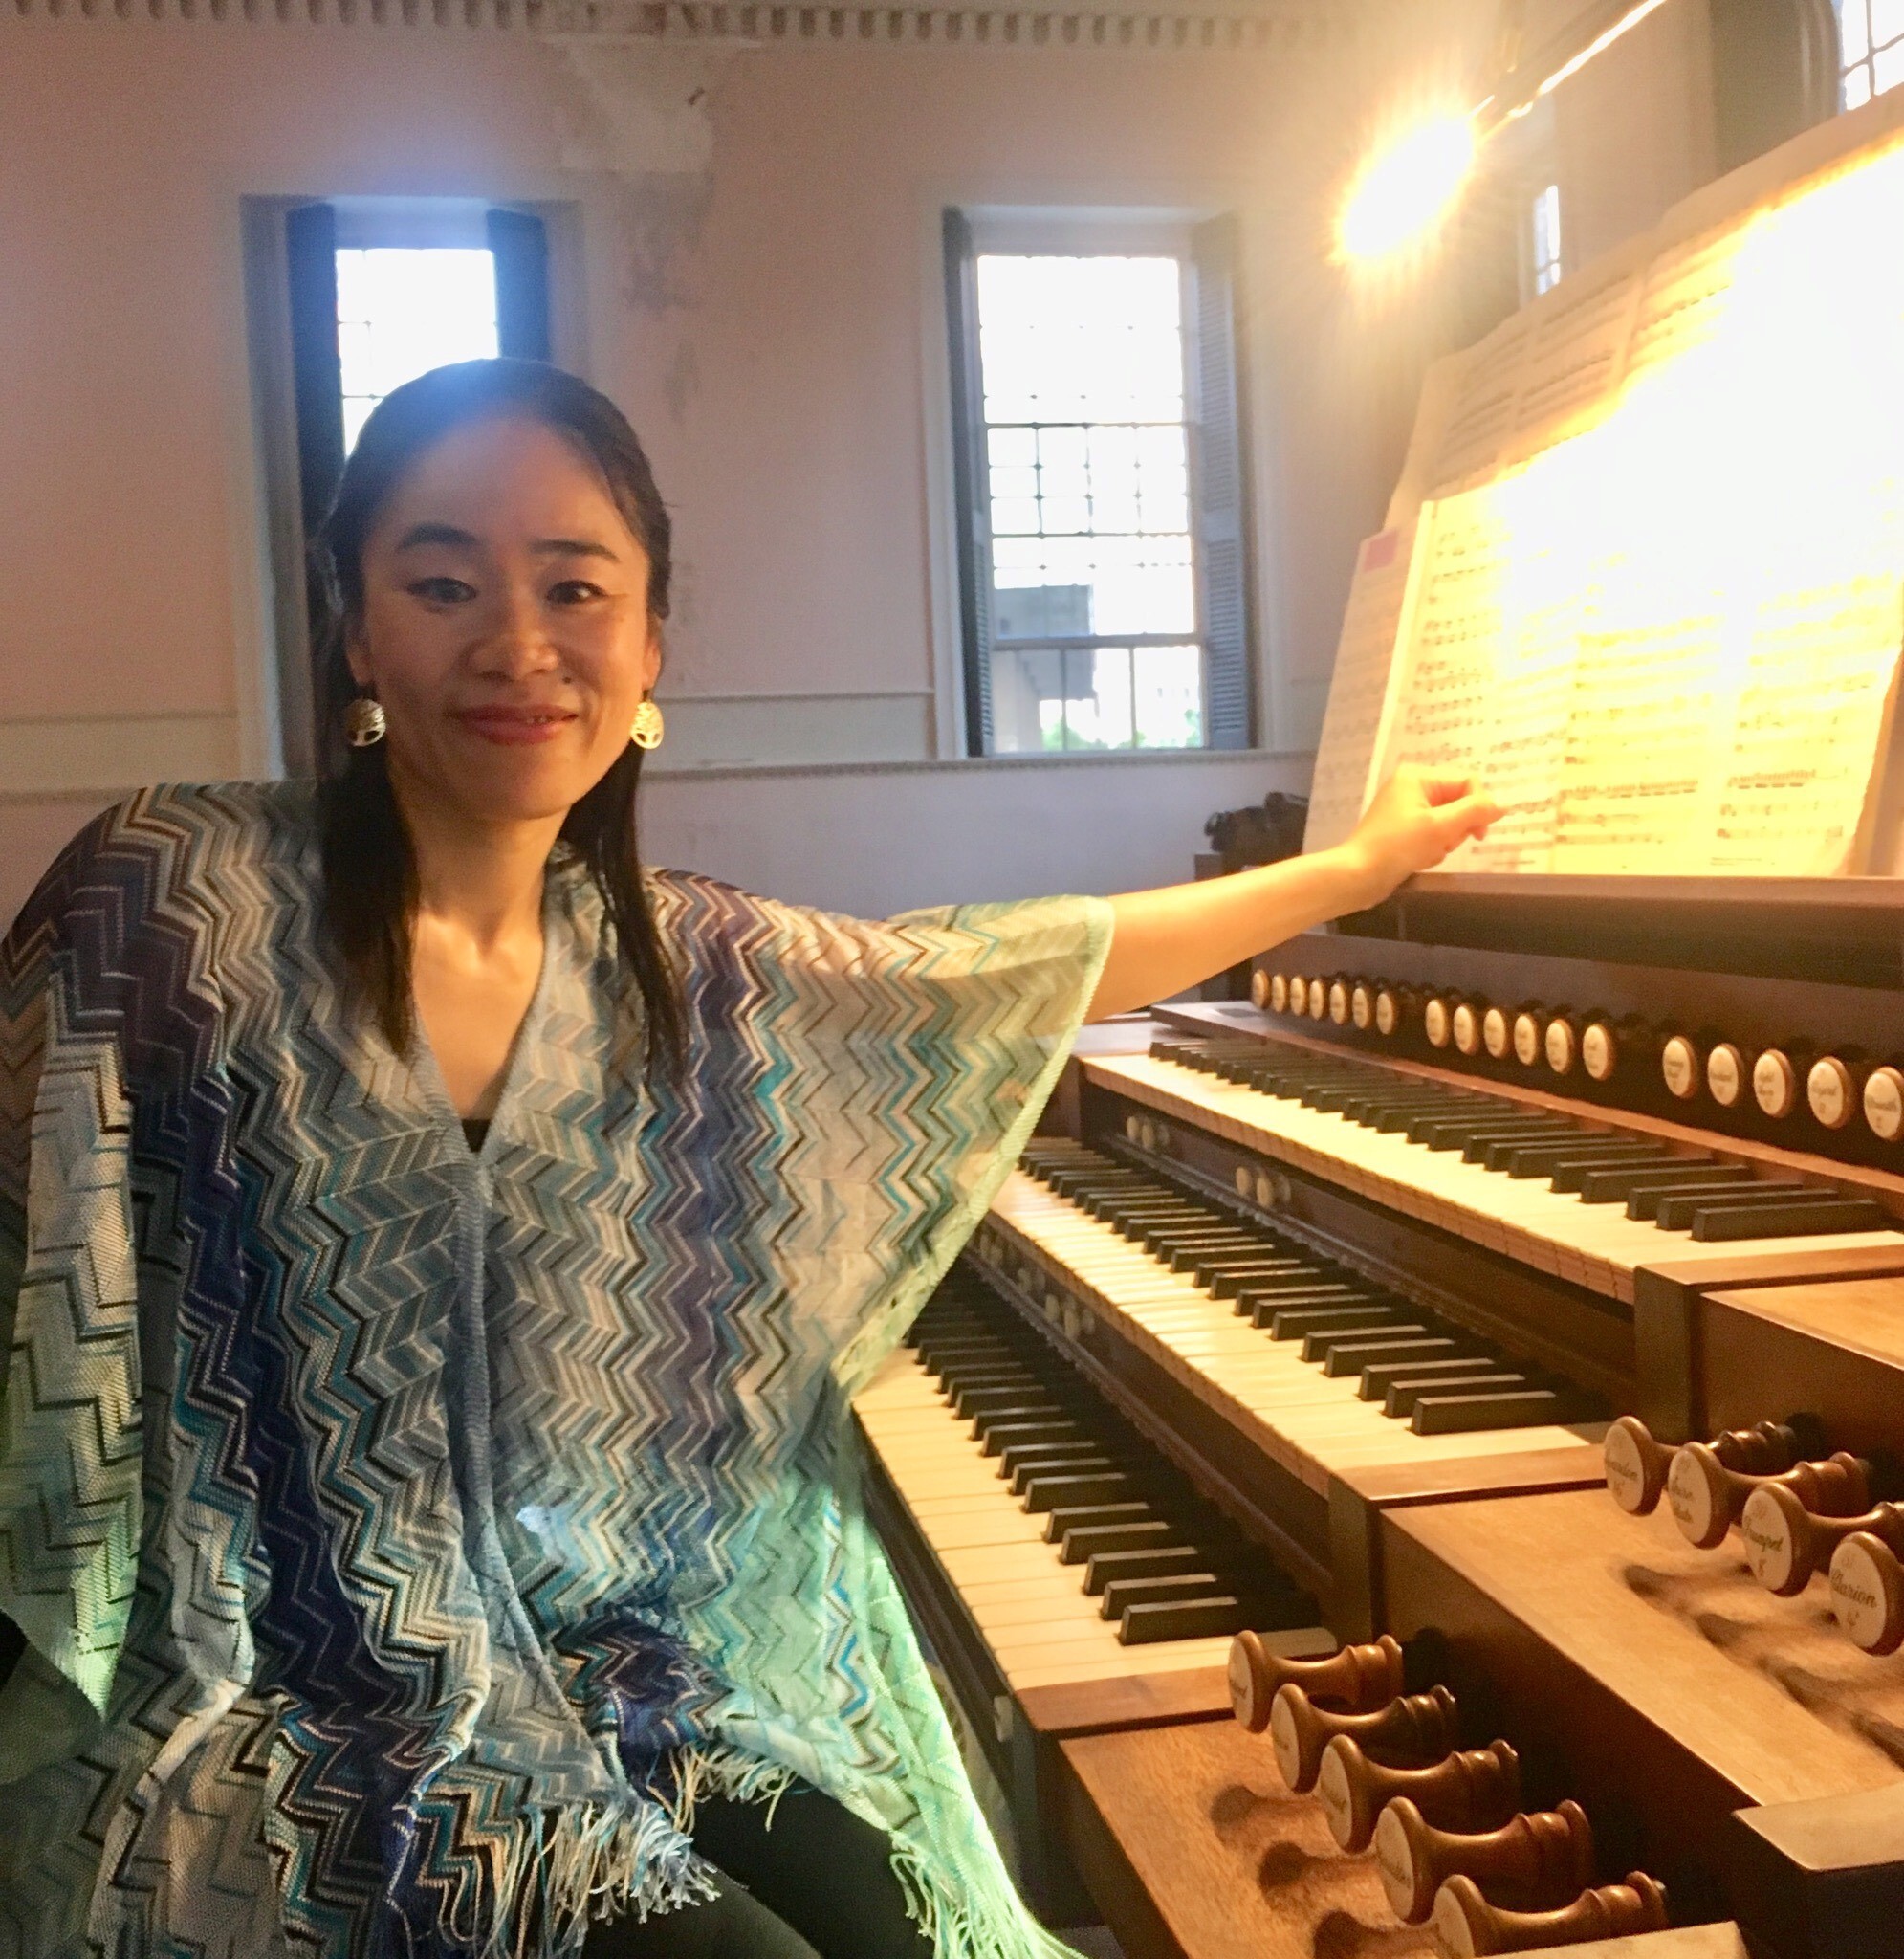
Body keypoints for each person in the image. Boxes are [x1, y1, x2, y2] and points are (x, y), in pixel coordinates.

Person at [0, 359, 1497, 1959]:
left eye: (575, 587)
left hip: (609, 1670)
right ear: (361, 631)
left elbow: (1010, 964)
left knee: (915, 1933)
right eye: (442, 583)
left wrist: (1352, 867)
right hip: (275, 1702)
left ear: (648, 648)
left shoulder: (685, 969)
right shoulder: (179, 901)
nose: (516, 646)